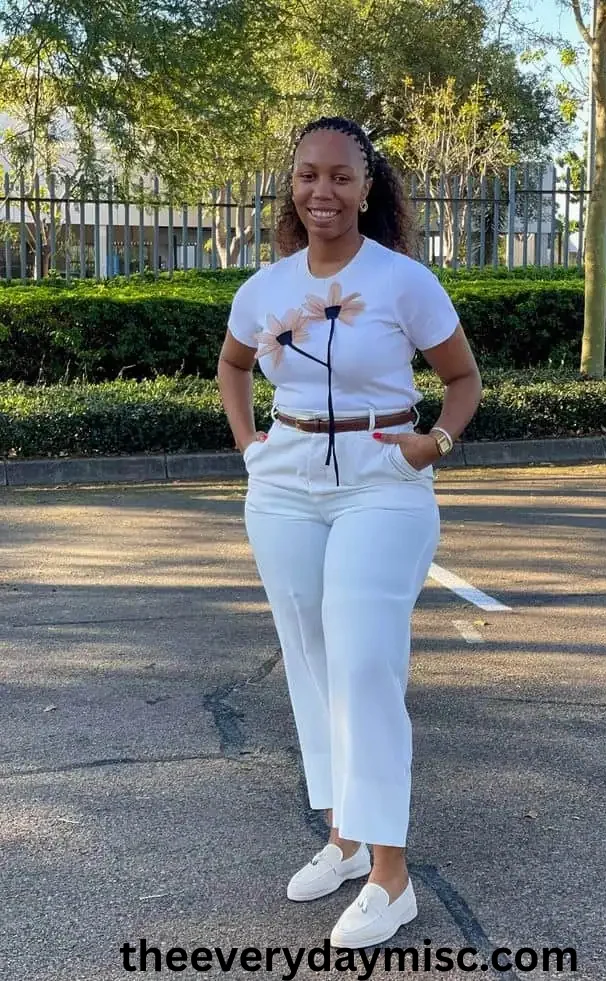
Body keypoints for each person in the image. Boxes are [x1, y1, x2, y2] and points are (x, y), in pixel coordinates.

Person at [217, 116, 481, 949]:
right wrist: (249, 444)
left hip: (381, 478)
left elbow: (463, 378)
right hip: (285, 481)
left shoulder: (403, 281)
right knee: (312, 659)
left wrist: (434, 443)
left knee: (365, 661)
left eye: (339, 176)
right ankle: (345, 836)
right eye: (308, 175)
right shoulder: (265, 288)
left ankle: (391, 877)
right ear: (291, 185)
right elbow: (232, 364)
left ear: (368, 188)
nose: (322, 191)